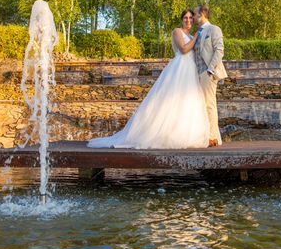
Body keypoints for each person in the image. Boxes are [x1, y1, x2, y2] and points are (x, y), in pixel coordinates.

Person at [87, 8, 210, 149]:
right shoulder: (177, 31)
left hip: (191, 70)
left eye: (190, 18)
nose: (188, 20)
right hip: (180, 68)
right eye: (185, 18)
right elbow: (183, 49)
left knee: (187, 101)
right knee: (170, 102)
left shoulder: (193, 34)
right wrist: (195, 37)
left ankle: (185, 133)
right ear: (181, 20)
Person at [192, 4, 227, 146]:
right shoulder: (198, 32)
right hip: (198, 73)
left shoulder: (213, 29)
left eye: (195, 14)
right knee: (202, 105)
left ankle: (213, 137)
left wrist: (210, 70)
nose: (193, 17)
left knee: (209, 104)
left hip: (207, 72)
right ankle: (205, 135)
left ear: (202, 14)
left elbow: (220, 50)